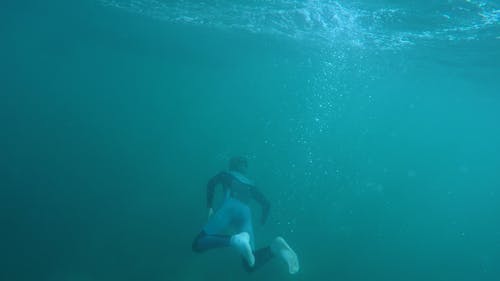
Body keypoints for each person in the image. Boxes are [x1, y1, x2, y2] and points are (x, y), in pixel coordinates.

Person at [192, 156, 300, 274]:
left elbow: (211, 183)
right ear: (244, 168)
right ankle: (275, 248)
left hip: (230, 206)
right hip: (245, 213)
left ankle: (235, 240)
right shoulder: (251, 184)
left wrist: (210, 206)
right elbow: (266, 204)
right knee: (250, 264)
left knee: (198, 244)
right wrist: (262, 221)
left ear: (231, 165)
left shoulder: (226, 174)